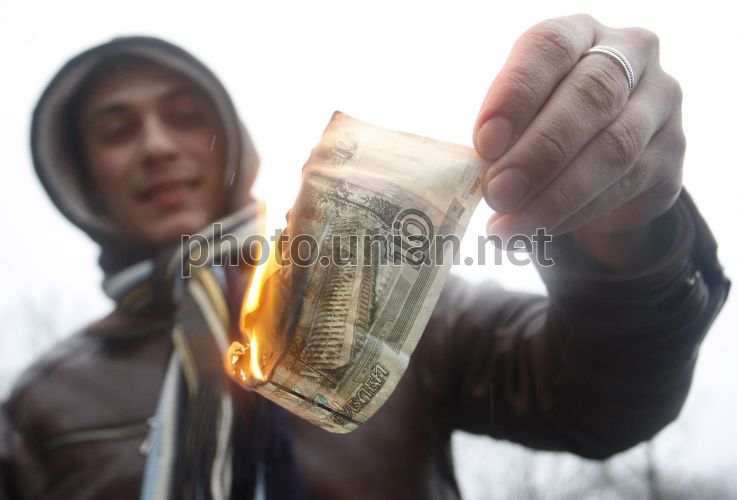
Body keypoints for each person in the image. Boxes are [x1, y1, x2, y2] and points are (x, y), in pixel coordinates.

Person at [0, 13, 730, 500]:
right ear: (83, 176)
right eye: (117, 129)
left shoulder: (394, 305)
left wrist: (626, 236)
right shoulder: (40, 406)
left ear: (227, 140)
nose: (157, 145)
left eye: (184, 116)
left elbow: (602, 403)